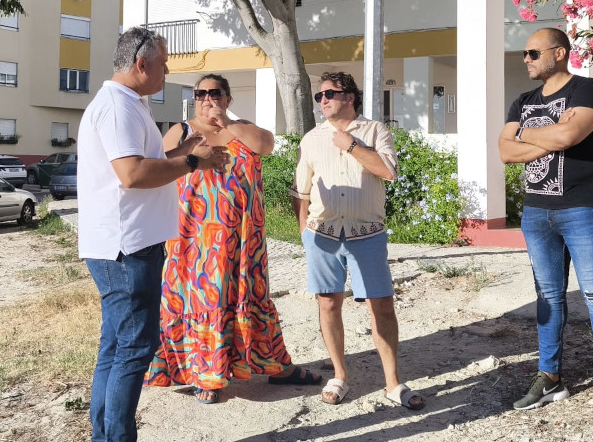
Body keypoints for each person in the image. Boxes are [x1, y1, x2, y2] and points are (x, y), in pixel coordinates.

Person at [78, 27, 230, 442]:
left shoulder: (127, 104)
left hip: (124, 244)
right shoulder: (119, 106)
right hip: (127, 248)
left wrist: (187, 154)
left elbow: (147, 160)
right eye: (163, 63)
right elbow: (132, 174)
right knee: (131, 352)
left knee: (115, 348)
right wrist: (194, 166)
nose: (167, 71)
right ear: (140, 64)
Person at [146, 74, 321, 404]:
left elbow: (266, 145)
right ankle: (204, 375)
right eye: (200, 93)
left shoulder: (242, 128)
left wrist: (226, 123)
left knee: (250, 297)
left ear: (227, 98)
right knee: (199, 300)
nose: (207, 99)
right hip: (194, 241)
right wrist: (190, 151)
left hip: (243, 239)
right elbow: (159, 165)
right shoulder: (182, 131)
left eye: (215, 93)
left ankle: (276, 366)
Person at [498, 27, 593, 430]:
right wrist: (548, 137)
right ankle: (550, 377)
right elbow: (505, 152)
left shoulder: (588, 91)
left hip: (585, 207)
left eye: (533, 52)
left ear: (559, 53)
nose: (526, 59)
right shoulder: (523, 100)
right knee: (548, 295)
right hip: (538, 212)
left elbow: (572, 133)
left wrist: (526, 134)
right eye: (524, 53)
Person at [291, 71, 424, 411]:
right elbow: (301, 190)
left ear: (349, 97)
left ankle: (393, 383)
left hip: (367, 235)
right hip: (323, 236)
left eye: (329, 94)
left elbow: (388, 172)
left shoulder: (375, 130)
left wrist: (351, 145)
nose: (323, 100)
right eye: (320, 96)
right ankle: (340, 375)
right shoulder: (311, 138)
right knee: (328, 303)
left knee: (380, 305)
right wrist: (304, 229)